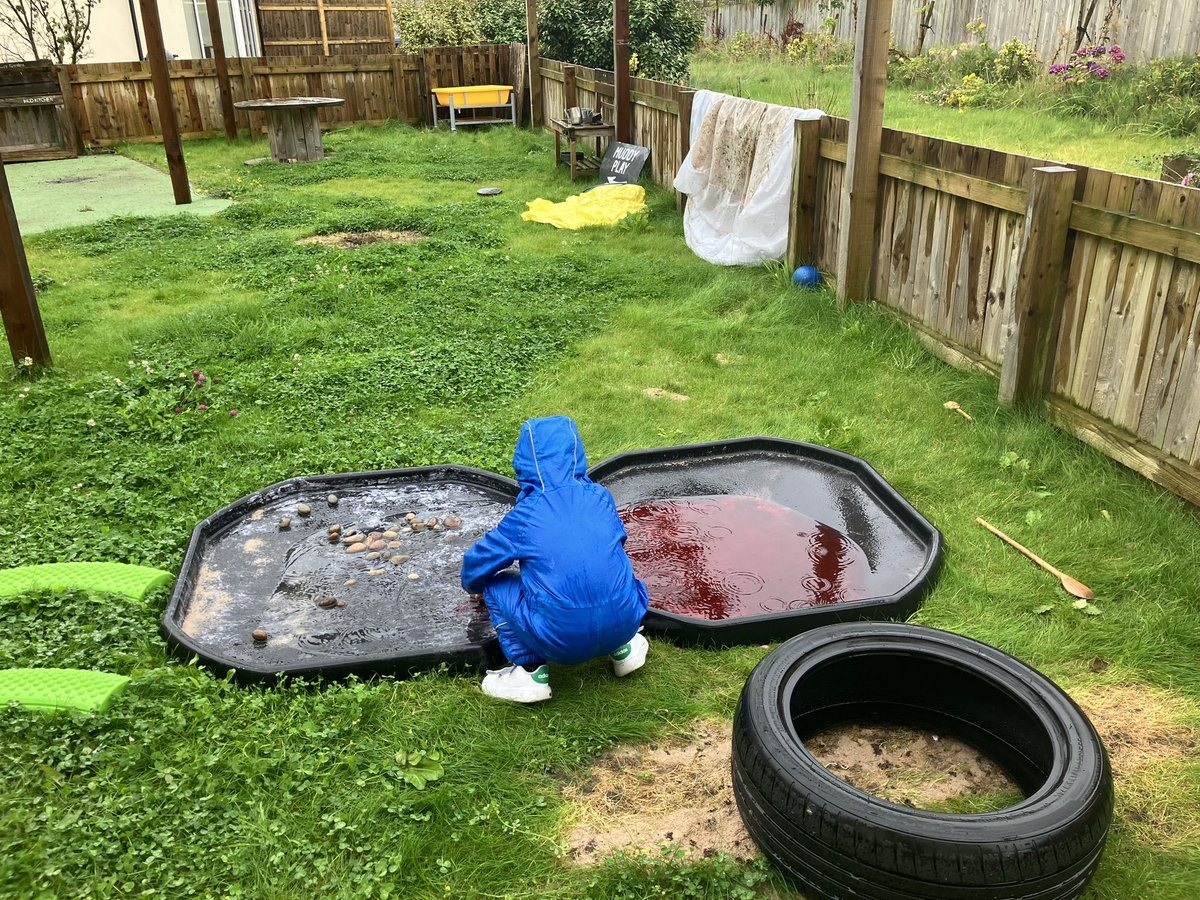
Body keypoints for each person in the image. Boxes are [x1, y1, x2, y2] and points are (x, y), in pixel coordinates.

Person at [461, 415, 650, 703]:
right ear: (576, 455)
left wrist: (473, 585)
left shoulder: (526, 515)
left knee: (494, 583)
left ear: (525, 464)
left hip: (561, 641)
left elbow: (478, 563)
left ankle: (530, 673)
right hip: (626, 620)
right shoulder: (600, 497)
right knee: (612, 565)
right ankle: (624, 651)